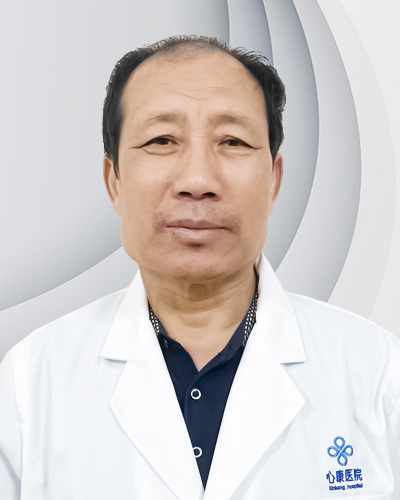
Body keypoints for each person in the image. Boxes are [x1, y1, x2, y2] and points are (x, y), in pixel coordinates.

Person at [0, 35, 399, 499]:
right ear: (115, 183)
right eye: (161, 140)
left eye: (232, 141)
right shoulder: (32, 380)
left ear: (273, 181)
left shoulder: (375, 370)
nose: (197, 180)